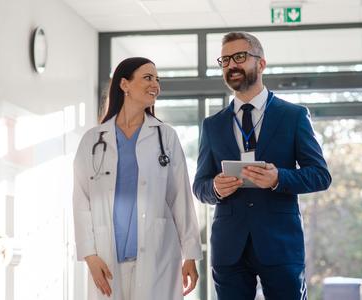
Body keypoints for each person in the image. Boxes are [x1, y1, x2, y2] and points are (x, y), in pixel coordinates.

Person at [193, 32, 332, 300]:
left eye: (240, 57)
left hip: (280, 243)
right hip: (229, 247)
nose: (231, 65)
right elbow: (200, 187)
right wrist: (216, 188)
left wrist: (279, 178)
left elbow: (320, 175)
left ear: (261, 63)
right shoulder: (212, 125)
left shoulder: (293, 116)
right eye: (225, 60)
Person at [72, 57, 202, 300]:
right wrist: (89, 255)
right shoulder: (93, 140)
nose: (156, 84)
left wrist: (191, 255)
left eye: (157, 79)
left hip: (158, 254)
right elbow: (81, 201)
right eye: (148, 78)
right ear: (124, 85)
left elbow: (180, 198)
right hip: (107, 255)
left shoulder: (166, 137)